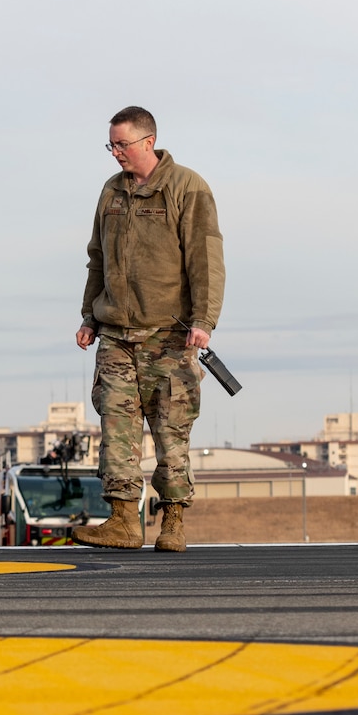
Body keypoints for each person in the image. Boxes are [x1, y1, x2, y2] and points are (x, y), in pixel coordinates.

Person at [72, 105, 225, 553]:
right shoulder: (110, 192)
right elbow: (96, 257)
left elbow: (206, 259)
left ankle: (173, 521)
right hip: (116, 333)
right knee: (116, 427)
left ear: (147, 142)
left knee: (170, 429)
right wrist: (89, 316)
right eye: (111, 145)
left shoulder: (187, 187)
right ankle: (122, 520)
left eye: (121, 144)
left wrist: (204, 321)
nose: (115, 152)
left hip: (169, 335)